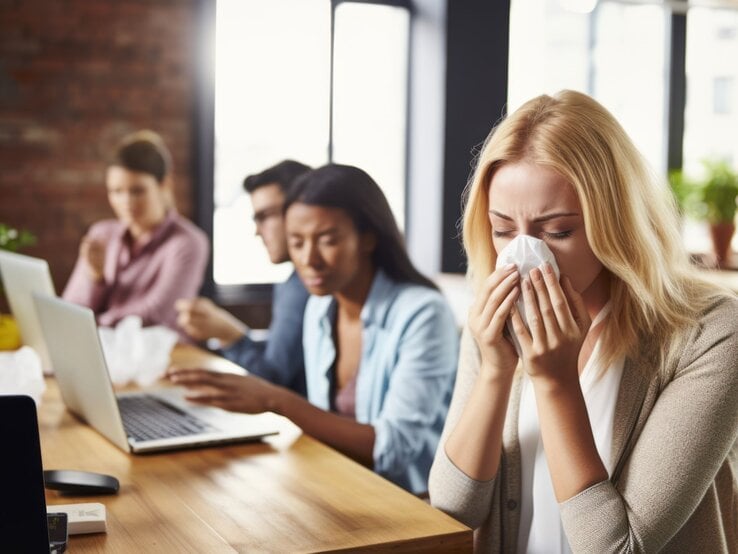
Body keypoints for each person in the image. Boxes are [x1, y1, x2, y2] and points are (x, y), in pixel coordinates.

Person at [428, 90, 738, 552]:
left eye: (558, 231)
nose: (524, 255)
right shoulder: (495, 319)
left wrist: (555, 383)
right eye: (503, 230)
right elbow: (454, 510)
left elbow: (618, 547)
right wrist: (495, 370)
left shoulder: (709, 333)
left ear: (616, 222)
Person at [169, 164, 459, 494]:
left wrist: (276, 400)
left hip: (409, 500)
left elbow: (393, 451)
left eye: (327, 240)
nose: (310, 260)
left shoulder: (422, 313)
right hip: (339, 482)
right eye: (297, 241)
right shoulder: (320, 305)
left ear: (368, 238)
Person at [175, 160, 311, 395]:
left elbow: (272, 380)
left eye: (265, 216)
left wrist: (229, 335)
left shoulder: (306, 284)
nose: (257, 231)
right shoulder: (293, 282)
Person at [63, 130, 208, 339]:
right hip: (105, 351)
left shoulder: (188, 243)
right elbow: (71, 306)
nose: (127, 203)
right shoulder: (101, 234)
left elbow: (158, 314)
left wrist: (92, 324)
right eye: (116, 191)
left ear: (164, 184)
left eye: (137, 191)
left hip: (166, 359)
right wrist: (96, 280)